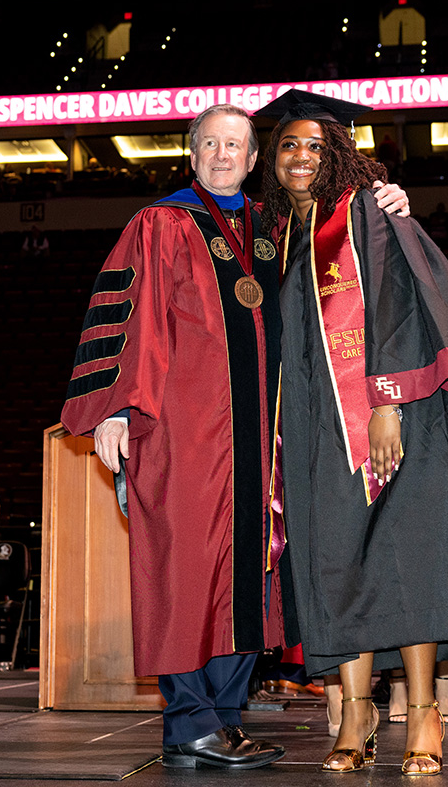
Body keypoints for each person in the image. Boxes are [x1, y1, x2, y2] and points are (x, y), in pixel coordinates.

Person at [59, 103, 409, 771]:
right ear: (192, 154)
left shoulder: (276, 226)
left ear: (254, 162)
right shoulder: (160, 223)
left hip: (263, 443)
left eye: (236, 145)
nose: (223, 153)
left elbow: (344, 260)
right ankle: (189, 719)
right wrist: (114, 410)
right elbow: (128, 323)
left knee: (249, 577)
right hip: (180, 435)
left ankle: (220, 720)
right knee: (183, 574)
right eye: (211, 142)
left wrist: (381, 200)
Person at [257, 90, 448, 776]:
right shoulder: (272, 232)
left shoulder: (366, 211)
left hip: (397, 414)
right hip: (315, 428)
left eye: (316, 146)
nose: (301, 156)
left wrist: (385, 400)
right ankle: (354, 716)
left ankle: (420, 714)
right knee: (338, 565)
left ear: (340, 154)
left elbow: (408, 307)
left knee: (407, 563)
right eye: (289, 144)